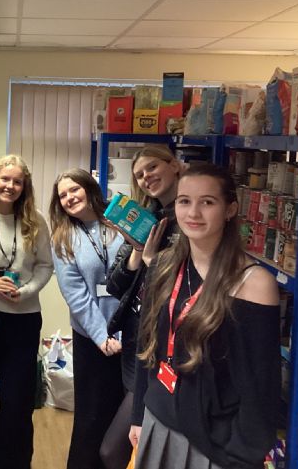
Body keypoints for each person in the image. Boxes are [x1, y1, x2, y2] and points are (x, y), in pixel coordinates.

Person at [130, 163, 280, 468]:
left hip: (213, 444)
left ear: (230, 209)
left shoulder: (253, 284)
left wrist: (240, 455)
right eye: (184, 201)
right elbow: (147, 347)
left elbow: (260, 387)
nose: (193, 213)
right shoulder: (163, 265)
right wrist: (138, 416)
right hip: (158, 421)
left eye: (207, 202)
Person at [101, 145, 182, 468]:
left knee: (114, 449)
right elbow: (114, 284)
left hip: (164, 344)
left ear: (174, 165)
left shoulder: (188, 223)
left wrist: (152, 259)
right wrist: (137, 251)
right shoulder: (145, 218)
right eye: (139, 175)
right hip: (136, 339)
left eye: (152, 167)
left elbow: (187, 287)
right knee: (139, 444)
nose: (146, 177)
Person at [0, 154, 54, 469]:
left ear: (24, 187)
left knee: (17, 403)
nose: (10, 186)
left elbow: (45, 266)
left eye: (17, 181)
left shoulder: (36, 220)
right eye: (4, 179)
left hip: (24, 320)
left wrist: (26, 291)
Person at [49, 168, 126, 469]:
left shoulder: (119, 221)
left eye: (74, 189)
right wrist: (102, 336)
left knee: (124, 423)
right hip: (92, 341)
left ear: (89, 188)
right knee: (91, 421)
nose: (69, 198)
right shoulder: (63, 238)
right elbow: (76, 295)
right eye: (62, 195)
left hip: (130, 337)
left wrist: (122, 334)